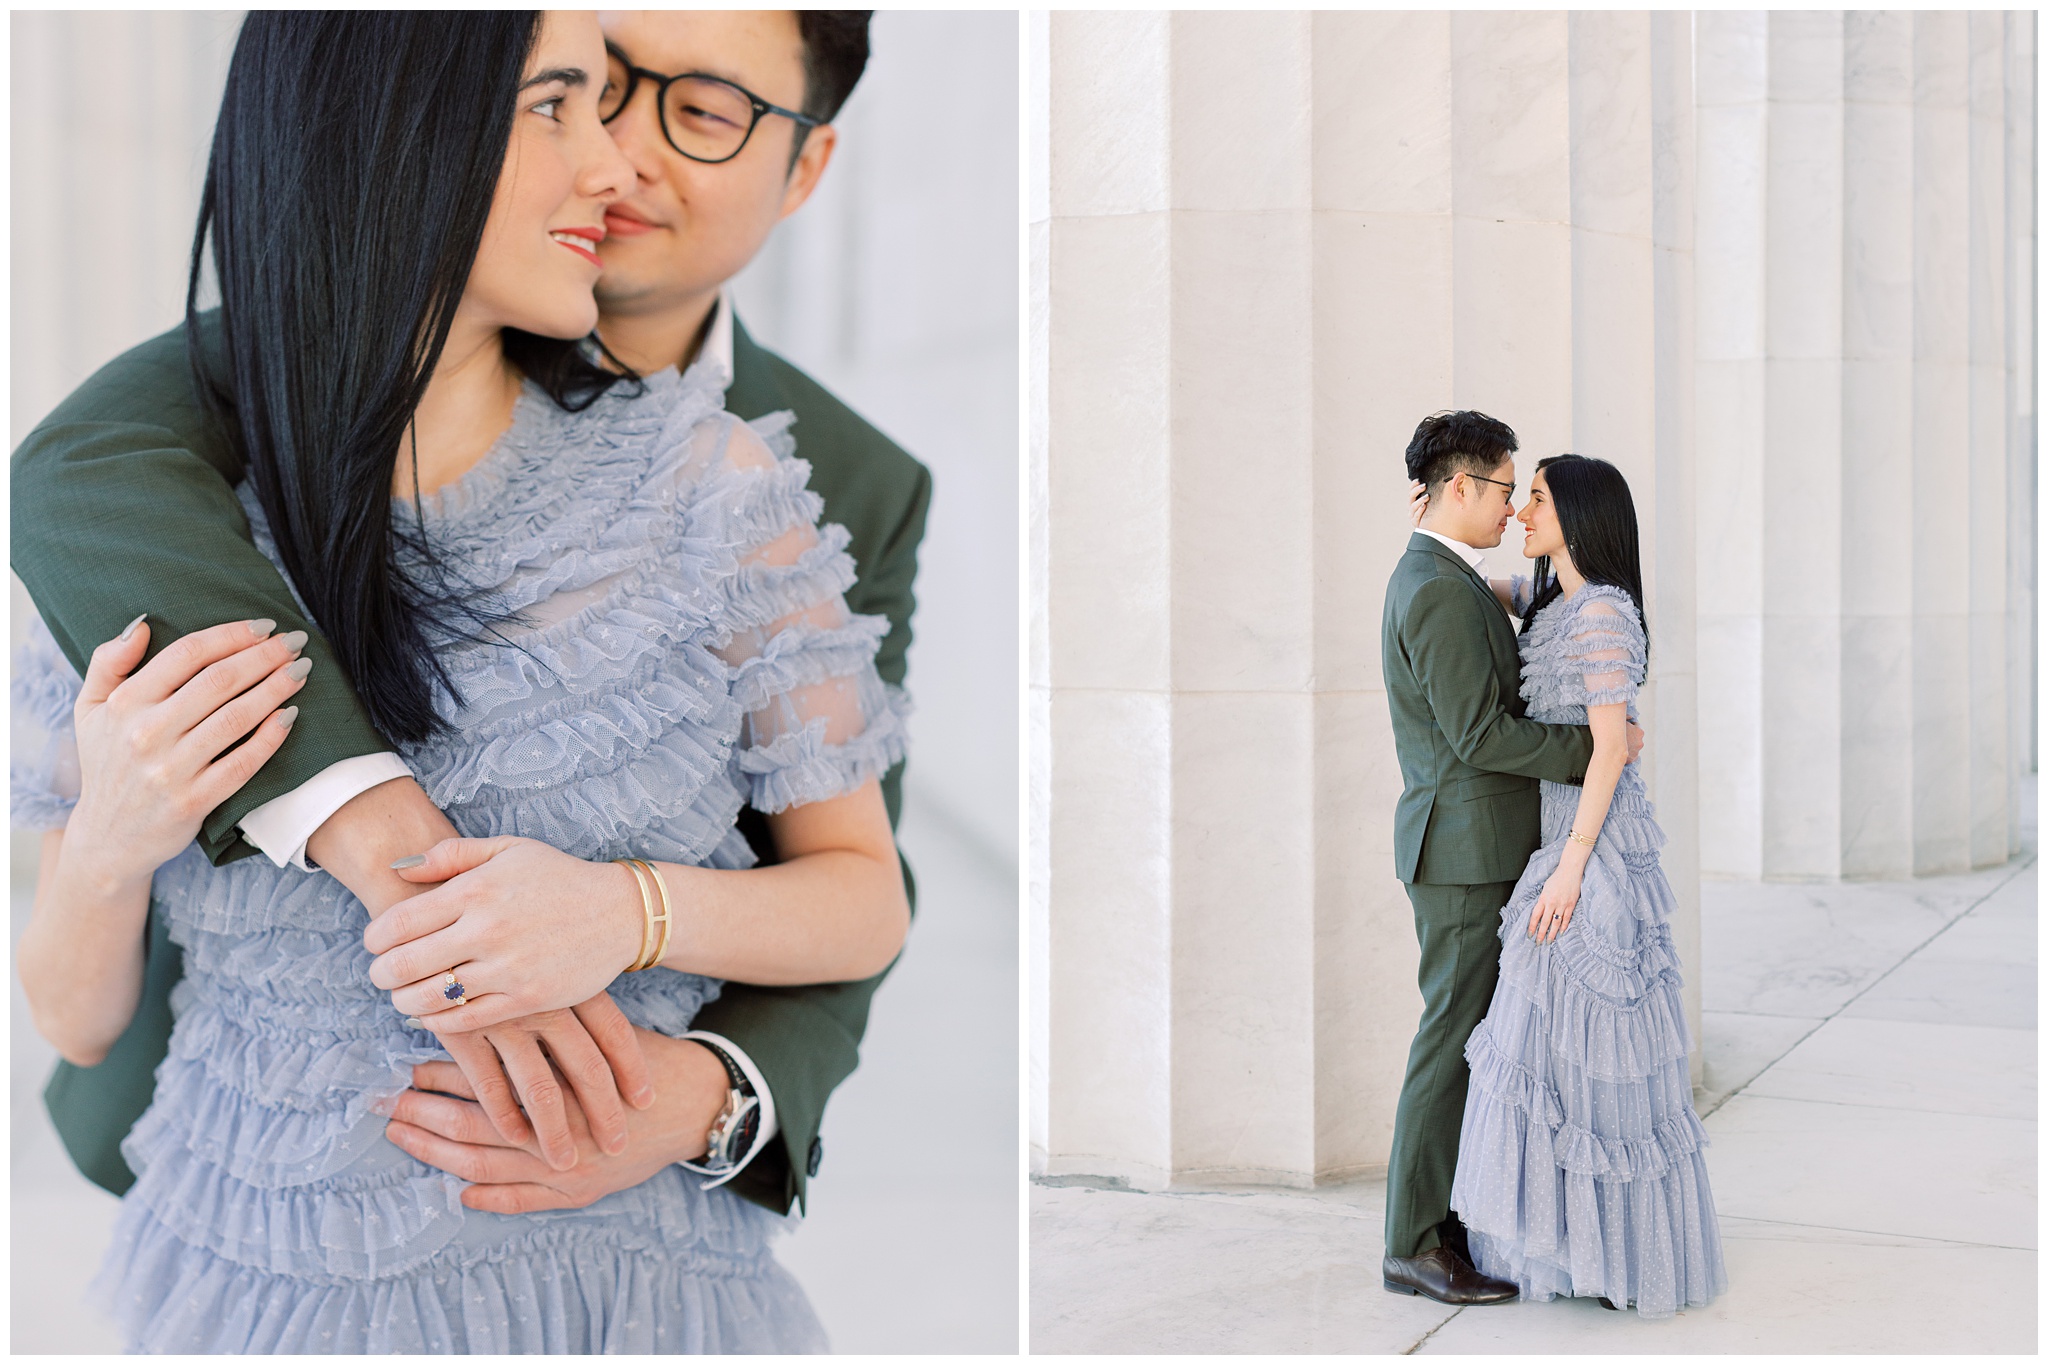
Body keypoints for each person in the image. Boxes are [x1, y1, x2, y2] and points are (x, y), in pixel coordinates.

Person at [12, 10, 909, 1350]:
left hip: (615, 1287)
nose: (616, 169)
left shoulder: (719, 492)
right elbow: (79, 1022)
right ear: (389, 134)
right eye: (560, 107)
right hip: (246, 1290)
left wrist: (624, 913)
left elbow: (863, 904)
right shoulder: (161, 539)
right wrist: (114, 842)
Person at [1448, 455, 1726, 1317]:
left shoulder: (1602, 611)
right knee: (1548, 1056)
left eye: (1535, 496)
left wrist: (1570, 866)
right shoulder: (1553, 604)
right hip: (1561, 838)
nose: (1523, 509)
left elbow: (1611, 746)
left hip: (1591, 845)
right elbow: (1480, 579)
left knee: (1591, 1055)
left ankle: (1610, 1255)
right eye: (1519, 494)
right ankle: (1572, 1246)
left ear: (1580, 509)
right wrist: (1452, 543)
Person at [1376, 411, 1643, 1306]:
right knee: (1450, 1042)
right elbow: (1478, 731)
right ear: (1461, 488)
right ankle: (1414, 1242)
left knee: (1477, 1043)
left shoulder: (1449, 580)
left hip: (1480, 842)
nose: (1510, 507)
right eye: (1503, 488)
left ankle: (1447, 1215)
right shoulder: (1435, 589)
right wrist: (1596, 749)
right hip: (1461, 850)